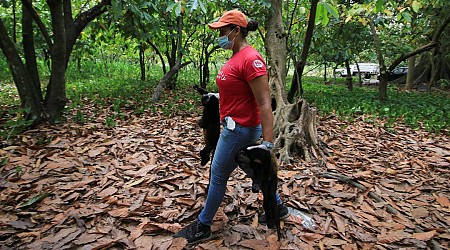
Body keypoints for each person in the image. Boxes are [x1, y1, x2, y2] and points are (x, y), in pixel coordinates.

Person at [174, 9, 289, 244]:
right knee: (251, 169)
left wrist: (268, 144)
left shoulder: (251, 59)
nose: (220, 35)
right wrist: (216, 95)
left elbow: (265, 104)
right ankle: (277, 206)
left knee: (217, 176)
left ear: (237, 31)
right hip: (234, 126)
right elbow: (238, 91)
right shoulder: (236, 56)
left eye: (223, 31)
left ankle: (203, 226)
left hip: (239, 130)